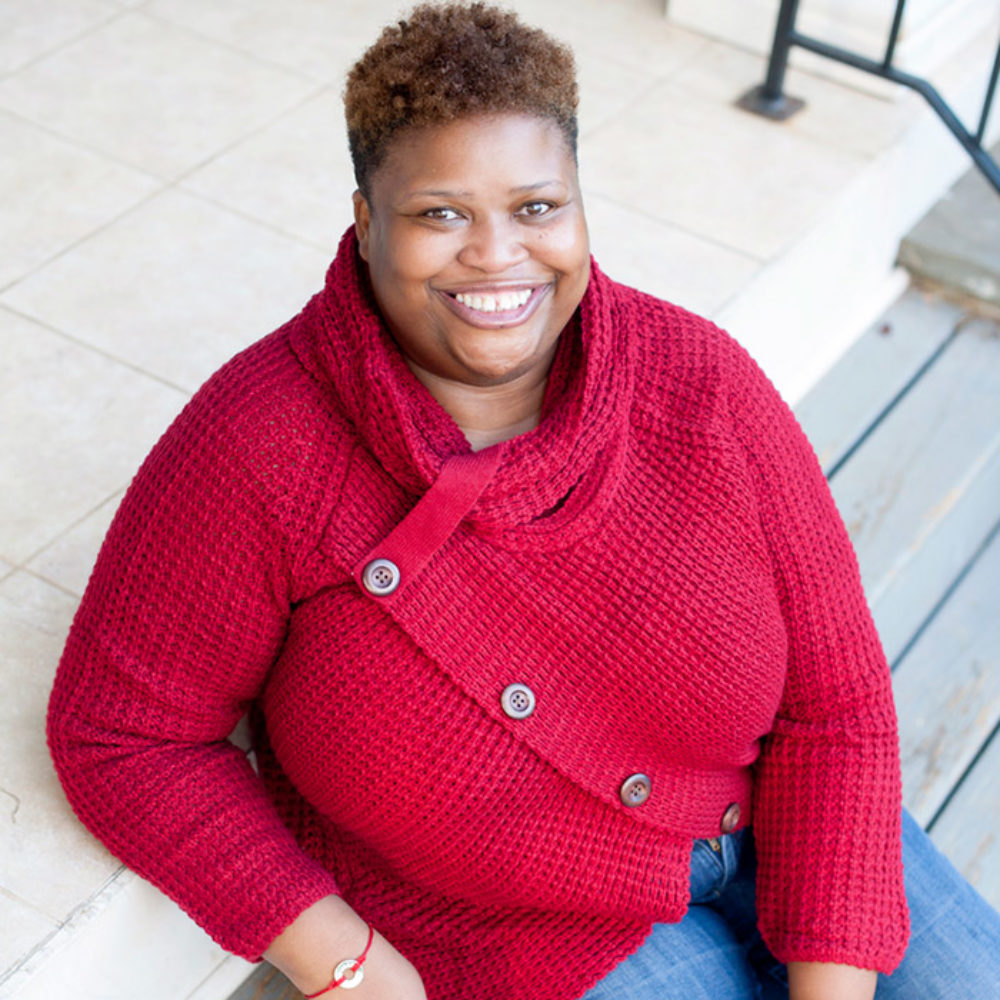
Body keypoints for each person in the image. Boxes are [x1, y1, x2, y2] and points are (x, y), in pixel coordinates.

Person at [47, 4, 1000, 999]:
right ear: (366, 223)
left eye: (537, 207)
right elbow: (122, 734)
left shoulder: (698, 381)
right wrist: (351, 968)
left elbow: (834, 703)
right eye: (441, 213)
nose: (496, 255)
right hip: (531, 934)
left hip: (789, 825)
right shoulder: (260, 441)